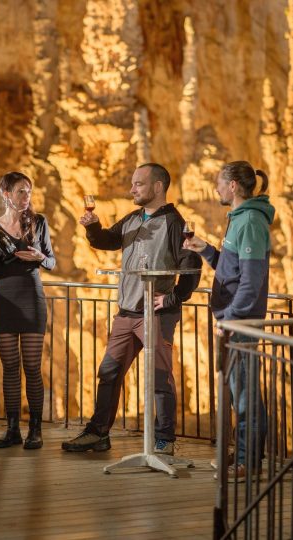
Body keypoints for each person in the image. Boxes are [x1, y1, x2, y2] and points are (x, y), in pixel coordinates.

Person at [61, 163, 201, 454]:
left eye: (138, 184)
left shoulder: (174, 222)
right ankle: (98, 433)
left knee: (159, 378)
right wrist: (92, 226)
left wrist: (173, 299)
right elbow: (108, 241)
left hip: (156, 315)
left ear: (158, 187)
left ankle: (164, 440)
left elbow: (191, 264)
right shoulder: (133, 218)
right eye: (133, 183)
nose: (132, 189)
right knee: (109, 372)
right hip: (126, 314)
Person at [183, 160, 275, 480]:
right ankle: (246, 456)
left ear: (233, 185)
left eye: (219, 183)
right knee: (240, 393)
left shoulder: (249, 220)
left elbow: (250, 283)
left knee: (246, 394)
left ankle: (249, 464)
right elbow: (232, 269)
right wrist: (205, 249)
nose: (216, 188)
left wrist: (231, 318)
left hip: (241, 323)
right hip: (235, 320)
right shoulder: (239, 219)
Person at [0, 171, 56, 450]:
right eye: (20, 192)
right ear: (6, 195)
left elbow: (51, 262)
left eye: (28, 191)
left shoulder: (38, 222)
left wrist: (40, 257)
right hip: (3, 299)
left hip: (31, 297)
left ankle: (35, 430)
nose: (26, 197)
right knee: (10, 368)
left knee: (33, 367)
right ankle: (12, 429)